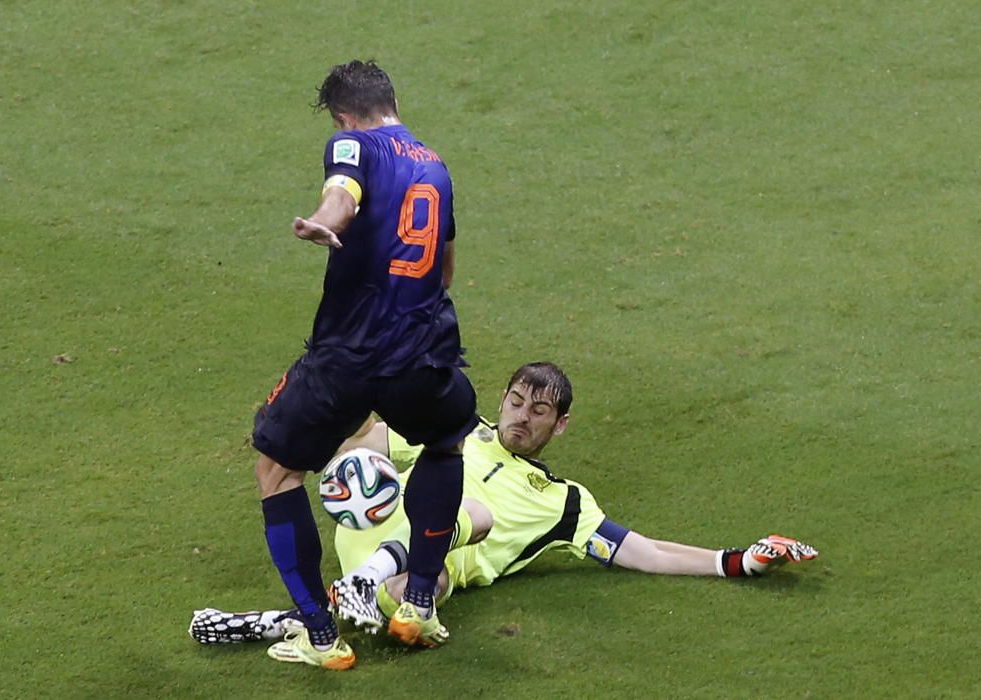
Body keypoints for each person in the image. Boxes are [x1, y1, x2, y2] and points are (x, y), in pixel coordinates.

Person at [193, 363, 817, 646]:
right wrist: (337, 451)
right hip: (376, 533)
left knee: (428, 587)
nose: (522, 417)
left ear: (560, 425)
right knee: (459, 530)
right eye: (517, 401)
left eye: (539, 411)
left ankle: (292, 620)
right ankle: (350, 586)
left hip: (418, 578)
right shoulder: (457, 431)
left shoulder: (564, 504)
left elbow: (643, 551)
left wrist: (736, 562)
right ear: (505, 397)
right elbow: (364, 445)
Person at [250, 60, 477, 671]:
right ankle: (420, 602)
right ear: (393, 100)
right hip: (425, 349)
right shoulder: (436, 164)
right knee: (445, 442)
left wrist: (322, 224)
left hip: (350, 354)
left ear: (344, 116)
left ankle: (320, 636)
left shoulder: (351, 141)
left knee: (276, 469)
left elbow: (342, 192)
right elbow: (447, 269)